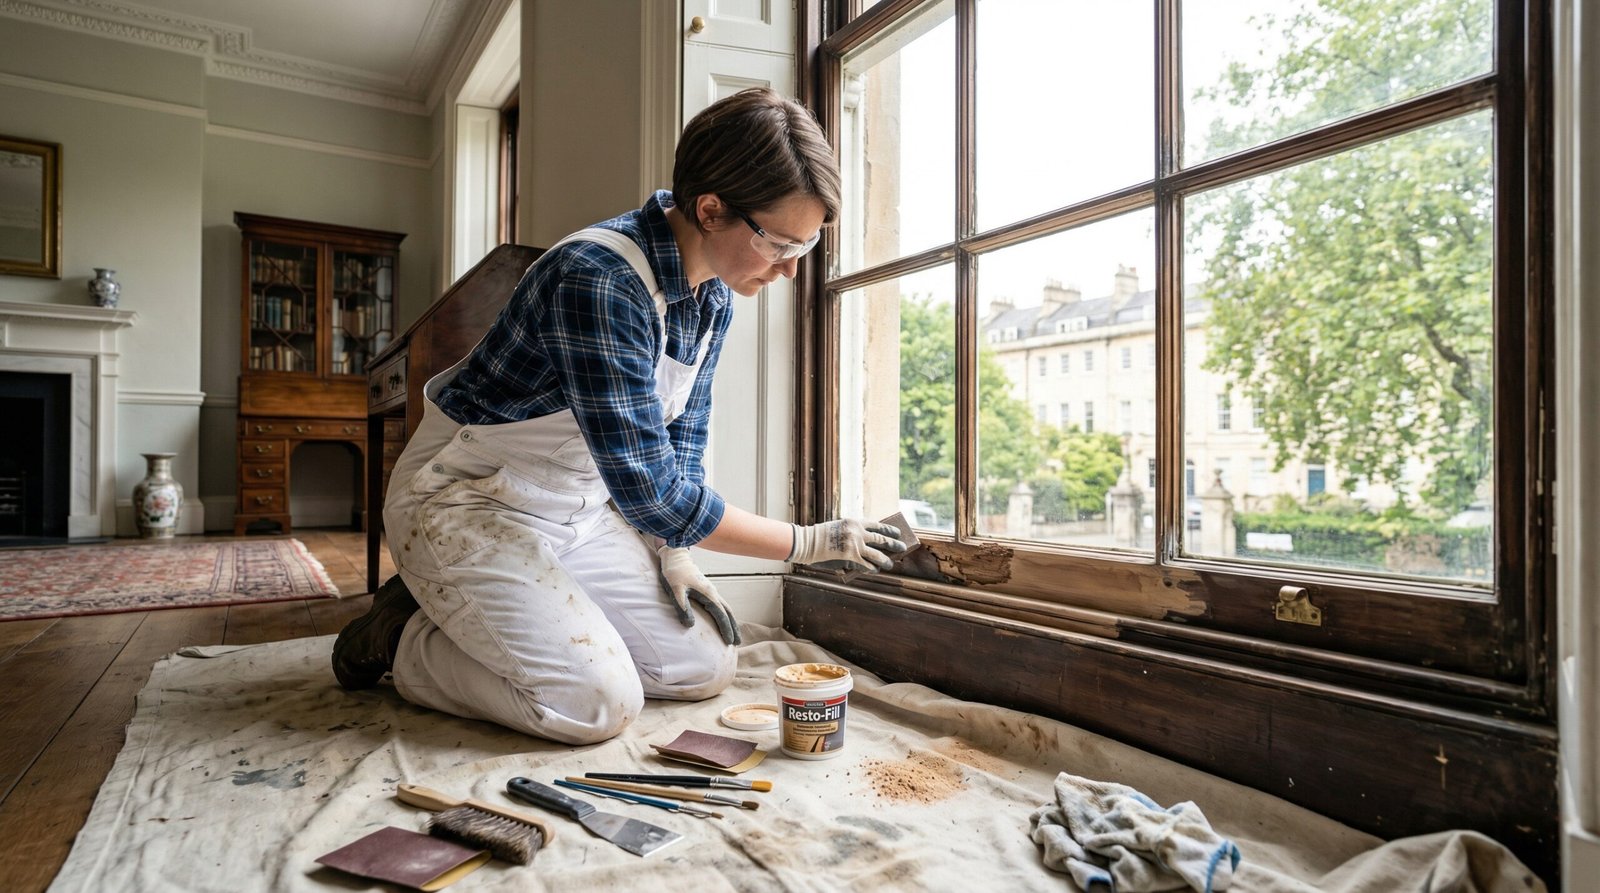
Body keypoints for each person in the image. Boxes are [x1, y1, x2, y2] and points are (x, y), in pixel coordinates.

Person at [331, 88, 908, 745]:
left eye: (806, 246)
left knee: (704, 665)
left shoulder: (714, 296)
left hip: (577, 510)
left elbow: (681, 443)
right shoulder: (598, 279)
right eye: (779, 243)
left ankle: (498, 614)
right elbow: (653, 494)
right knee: (596, 704)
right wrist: (808, 543)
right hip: (469, 503)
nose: (791, 270)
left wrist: (675, 553)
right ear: (711, 210)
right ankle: (400, 637)